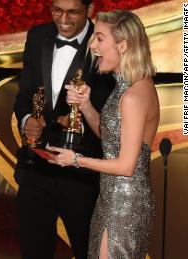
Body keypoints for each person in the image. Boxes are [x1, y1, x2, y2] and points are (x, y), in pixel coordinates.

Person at [48, 10, 158, 258]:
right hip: (112, 198)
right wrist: (86, 105)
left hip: (124, 206)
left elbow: (126, 166)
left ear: (122, 45)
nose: (93, 46)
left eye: (99, 38)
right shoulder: (127, 87)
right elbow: (110, 139)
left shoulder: (132, 96)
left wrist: (74, 159)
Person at [13, 0, 116, 258]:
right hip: (35, 167)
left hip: (81, 173)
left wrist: (81, 119)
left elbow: (110, 112)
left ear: (90, 9)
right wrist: (27, 120)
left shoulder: (105, 41)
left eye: (73, 12)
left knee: (87, 251)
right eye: (57, 10)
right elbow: (25, 94)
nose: (64, 19)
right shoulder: (37, 36)